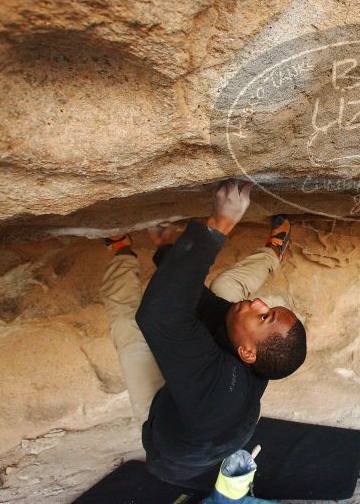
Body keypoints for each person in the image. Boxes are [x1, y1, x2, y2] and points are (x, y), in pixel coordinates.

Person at [99, 179, 307, 487]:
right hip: (211, 411)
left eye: (265, 316)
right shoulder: (253, 355)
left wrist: (219, 224)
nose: (261, 302)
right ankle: (272, 254)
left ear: (247, 353)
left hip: (170, 435)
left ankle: (123, 254)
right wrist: (167, 250)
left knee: (127, 325)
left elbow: (159, 316)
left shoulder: (216, 384)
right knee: (225, 291)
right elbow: (193, 299)